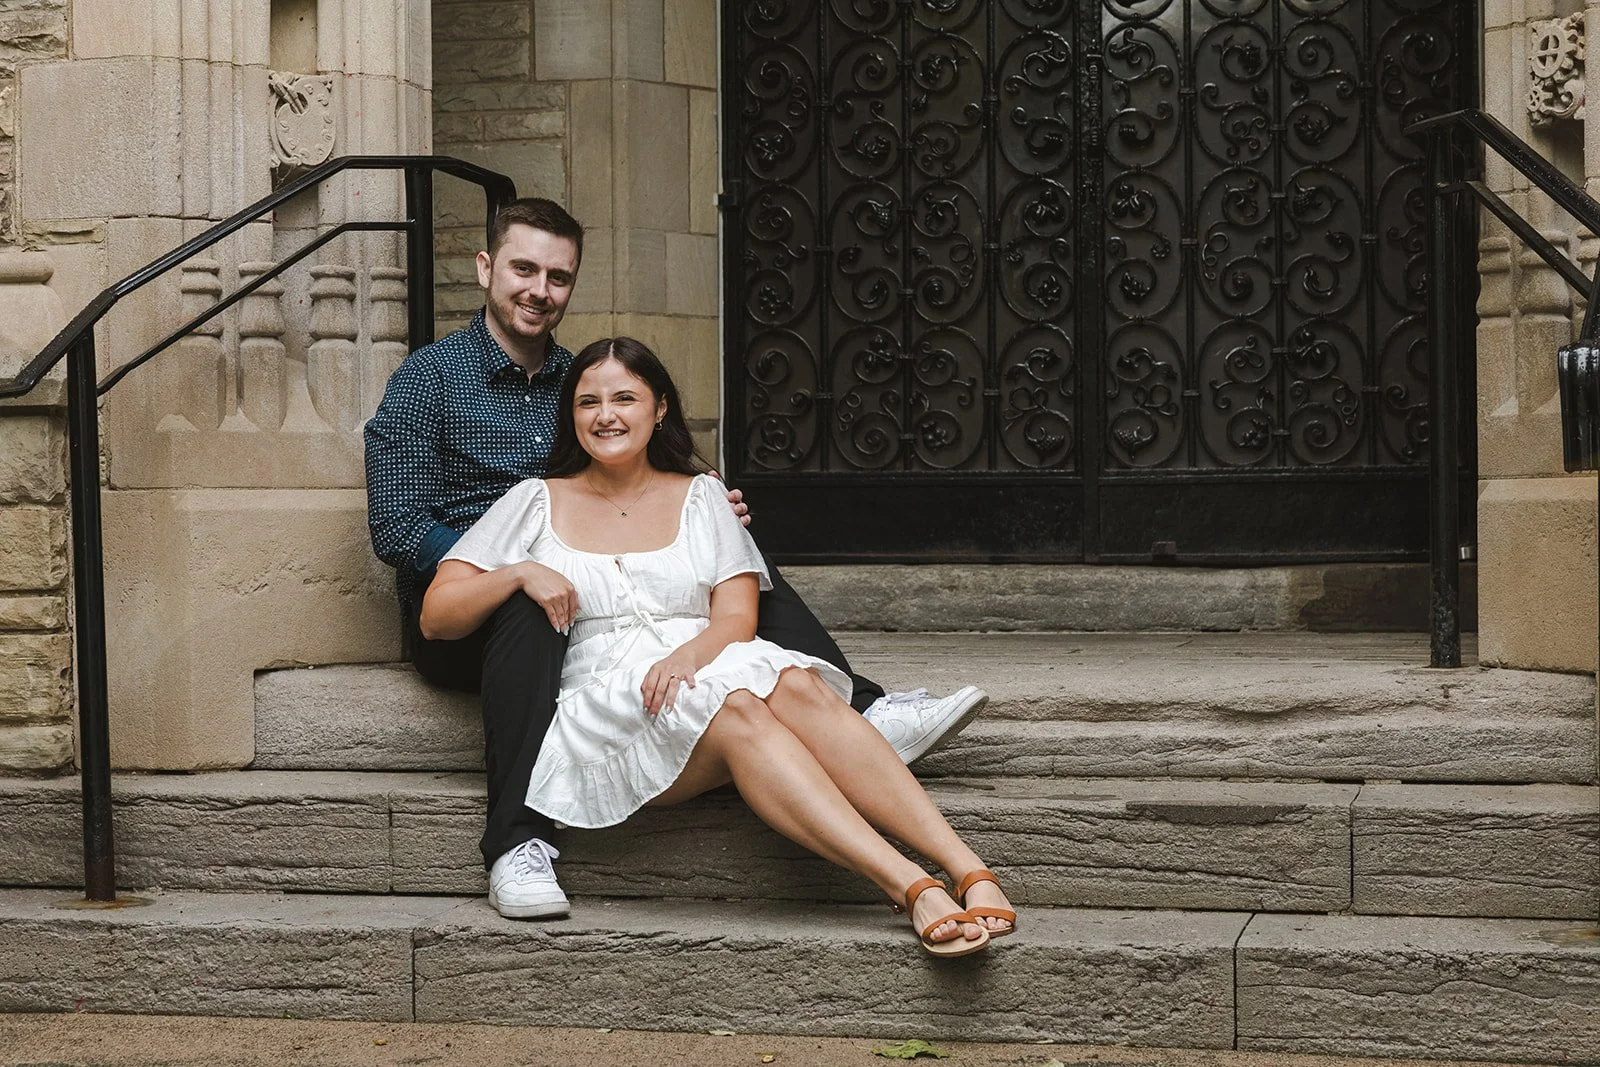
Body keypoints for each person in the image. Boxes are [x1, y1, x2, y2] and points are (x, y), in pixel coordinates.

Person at [363, 197, 988, 920]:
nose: (539, 289)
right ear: (486, 269)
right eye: (523, 269)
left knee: (725, 535)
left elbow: (623, 474)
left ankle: (861, 709)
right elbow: (399, 525)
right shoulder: (430, 379)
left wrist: (694, 512)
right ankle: (516, 841)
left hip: (581, 576)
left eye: (558, 276)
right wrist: (513, 560)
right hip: (476, 608)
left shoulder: (576, 378)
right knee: (532, 605)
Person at [422, 337, 1017, 955]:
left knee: (796, 682)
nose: (606, 416)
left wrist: (686, 657)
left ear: (659, 409)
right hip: (610, 702)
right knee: (741, 711)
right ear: (570, 416)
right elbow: (438, 617)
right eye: (587, 402)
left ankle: (968, 866)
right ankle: (913, 886)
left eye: (625, 398)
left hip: (701, 662)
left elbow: (737, 614)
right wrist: (517, 573)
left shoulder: (703, 494)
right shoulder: (535, 501)